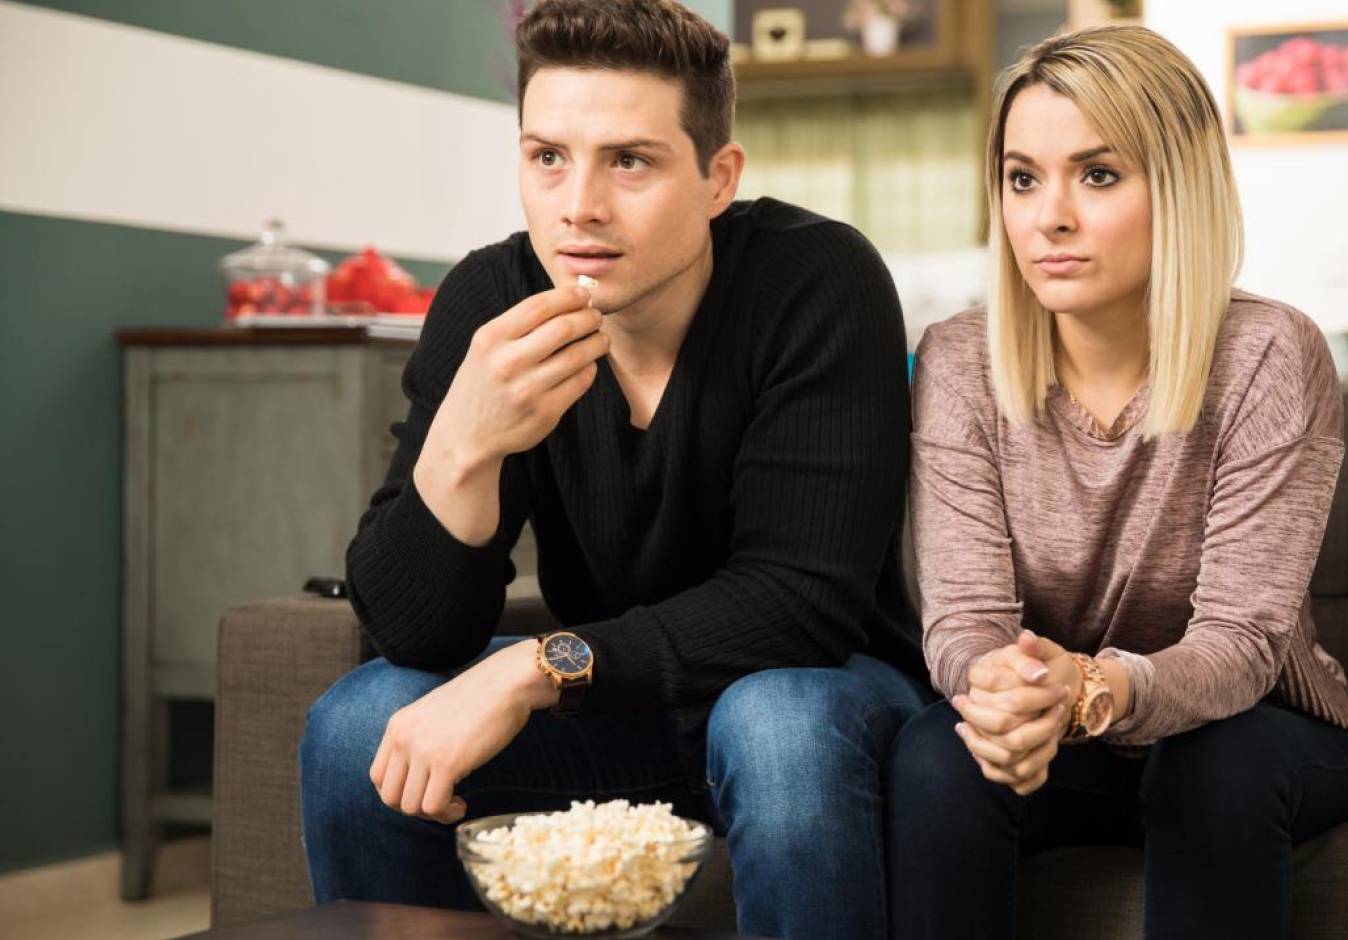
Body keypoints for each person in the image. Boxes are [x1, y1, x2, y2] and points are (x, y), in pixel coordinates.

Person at [296, 2, 929, 938]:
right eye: (547, 156)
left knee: (777, 724)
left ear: (719, 179)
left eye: (629, 160)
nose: (577, 206)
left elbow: (802, 602)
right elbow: (410, 630)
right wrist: (465, 445)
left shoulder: (816, 281)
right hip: (616, 709)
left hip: (820, 692)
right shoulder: (491, 298)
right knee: (358, 725)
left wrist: (534, 672)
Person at [886, 24, 1348, 939]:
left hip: (1257, 733)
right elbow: (963, 621)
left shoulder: (1269, 353)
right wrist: (1006, 690)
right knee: (936, 751)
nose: (1049, 216)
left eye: (1099, 175)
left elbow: (1242, 642)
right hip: (1059, 742)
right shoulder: (958, 359)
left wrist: (1096, 689)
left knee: (1212, 759)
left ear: (1179, 190)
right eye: (1023, 177)